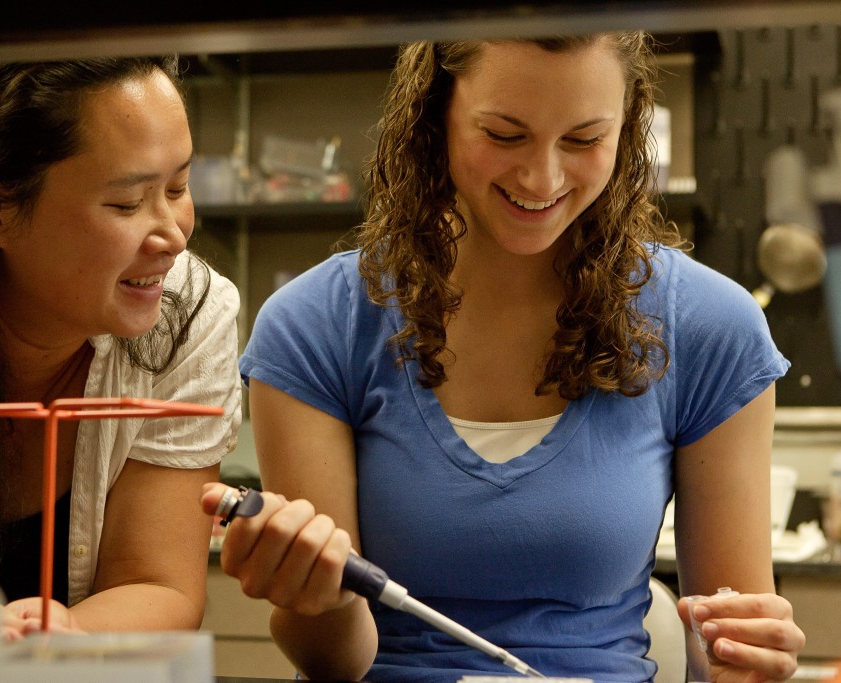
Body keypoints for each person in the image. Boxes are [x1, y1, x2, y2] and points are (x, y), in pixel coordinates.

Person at [200, 33, 806, 683]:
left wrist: (749, 659)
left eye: (582, 139)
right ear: (435, 114)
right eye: (505, 134)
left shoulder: (710, 327)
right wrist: (316, 592)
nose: (542, 178)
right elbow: (332, 660)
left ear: (628, 126)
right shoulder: (316, 324)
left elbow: (727, 648)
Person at [0, 56, 242, 638]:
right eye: (126, 203)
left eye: (178, 186)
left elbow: (157, 583)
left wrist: (59, 641)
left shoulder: (187, 312)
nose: (173, 236)